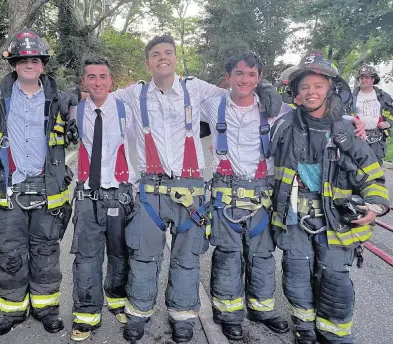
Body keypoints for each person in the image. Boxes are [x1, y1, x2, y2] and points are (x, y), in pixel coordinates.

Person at [89, 34, 283, 343]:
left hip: (190, 191)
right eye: (156, 54)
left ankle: (182, 316)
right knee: (143, 256)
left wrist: (266, 89)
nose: (162, 57)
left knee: (187, 258)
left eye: (168, 52)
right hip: (151, 191)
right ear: (148, 61)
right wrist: (72, 94)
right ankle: (139, 313)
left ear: (175, 58)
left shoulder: (198, 89)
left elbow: (240, 95)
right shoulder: (133, 94)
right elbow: (99, 98)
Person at [269, 51, 390, 344]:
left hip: (336, 222)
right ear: (295, 94)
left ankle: (334, 335)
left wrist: (374, 206)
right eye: (305, 87)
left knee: (335, 279)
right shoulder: (285, 127)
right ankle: (305, 330)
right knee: (296, 275)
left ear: (331, 89)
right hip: (295, 220)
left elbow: (372, 175)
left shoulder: (346, 130)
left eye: (319, 86)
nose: (311, 92)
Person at [0, 28, 74, 337]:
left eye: (35, 60)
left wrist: (77, 101)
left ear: (42, 65)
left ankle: (46, 309)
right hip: (9, 191)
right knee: (10, 254)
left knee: (46, 252)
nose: (29, 64)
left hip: (46, 188)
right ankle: (12, 312)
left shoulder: (59, 99)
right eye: (22, 60)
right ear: (15, 65)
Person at [201, 52, 290, 341]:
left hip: (261, 197)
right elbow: (174, 99)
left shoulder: (272, 108)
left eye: (252, 75)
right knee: (229, 256)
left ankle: (262, 310)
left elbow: (312, 113)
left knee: (262, 256)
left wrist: (353, 121)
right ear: (228, 77)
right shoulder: (213, 105)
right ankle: (228, 313)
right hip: (225, 196)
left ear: (259, 78)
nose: (245, 80)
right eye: (239, 73)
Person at [69, 57, 136, 341]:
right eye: (91, 77)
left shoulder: (126, 109)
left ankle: (117, 299)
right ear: (84, 81)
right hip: (87, 195)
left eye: (103, 77)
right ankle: (86, 315)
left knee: (120, 254)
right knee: (86, 258)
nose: (97, 82)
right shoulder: (74, 109)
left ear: (111, 81)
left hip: (119, 194)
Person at [351, 63, 393, 165]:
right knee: (358, 167)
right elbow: (344, 115)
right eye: (361, 78)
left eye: (366, 77)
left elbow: (391, 113)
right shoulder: (352, 97)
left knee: (376, 168)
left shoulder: (383, 96)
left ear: (373, 80)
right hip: (357, 137)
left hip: (377, 139)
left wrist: (387, 123)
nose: (363, 80)